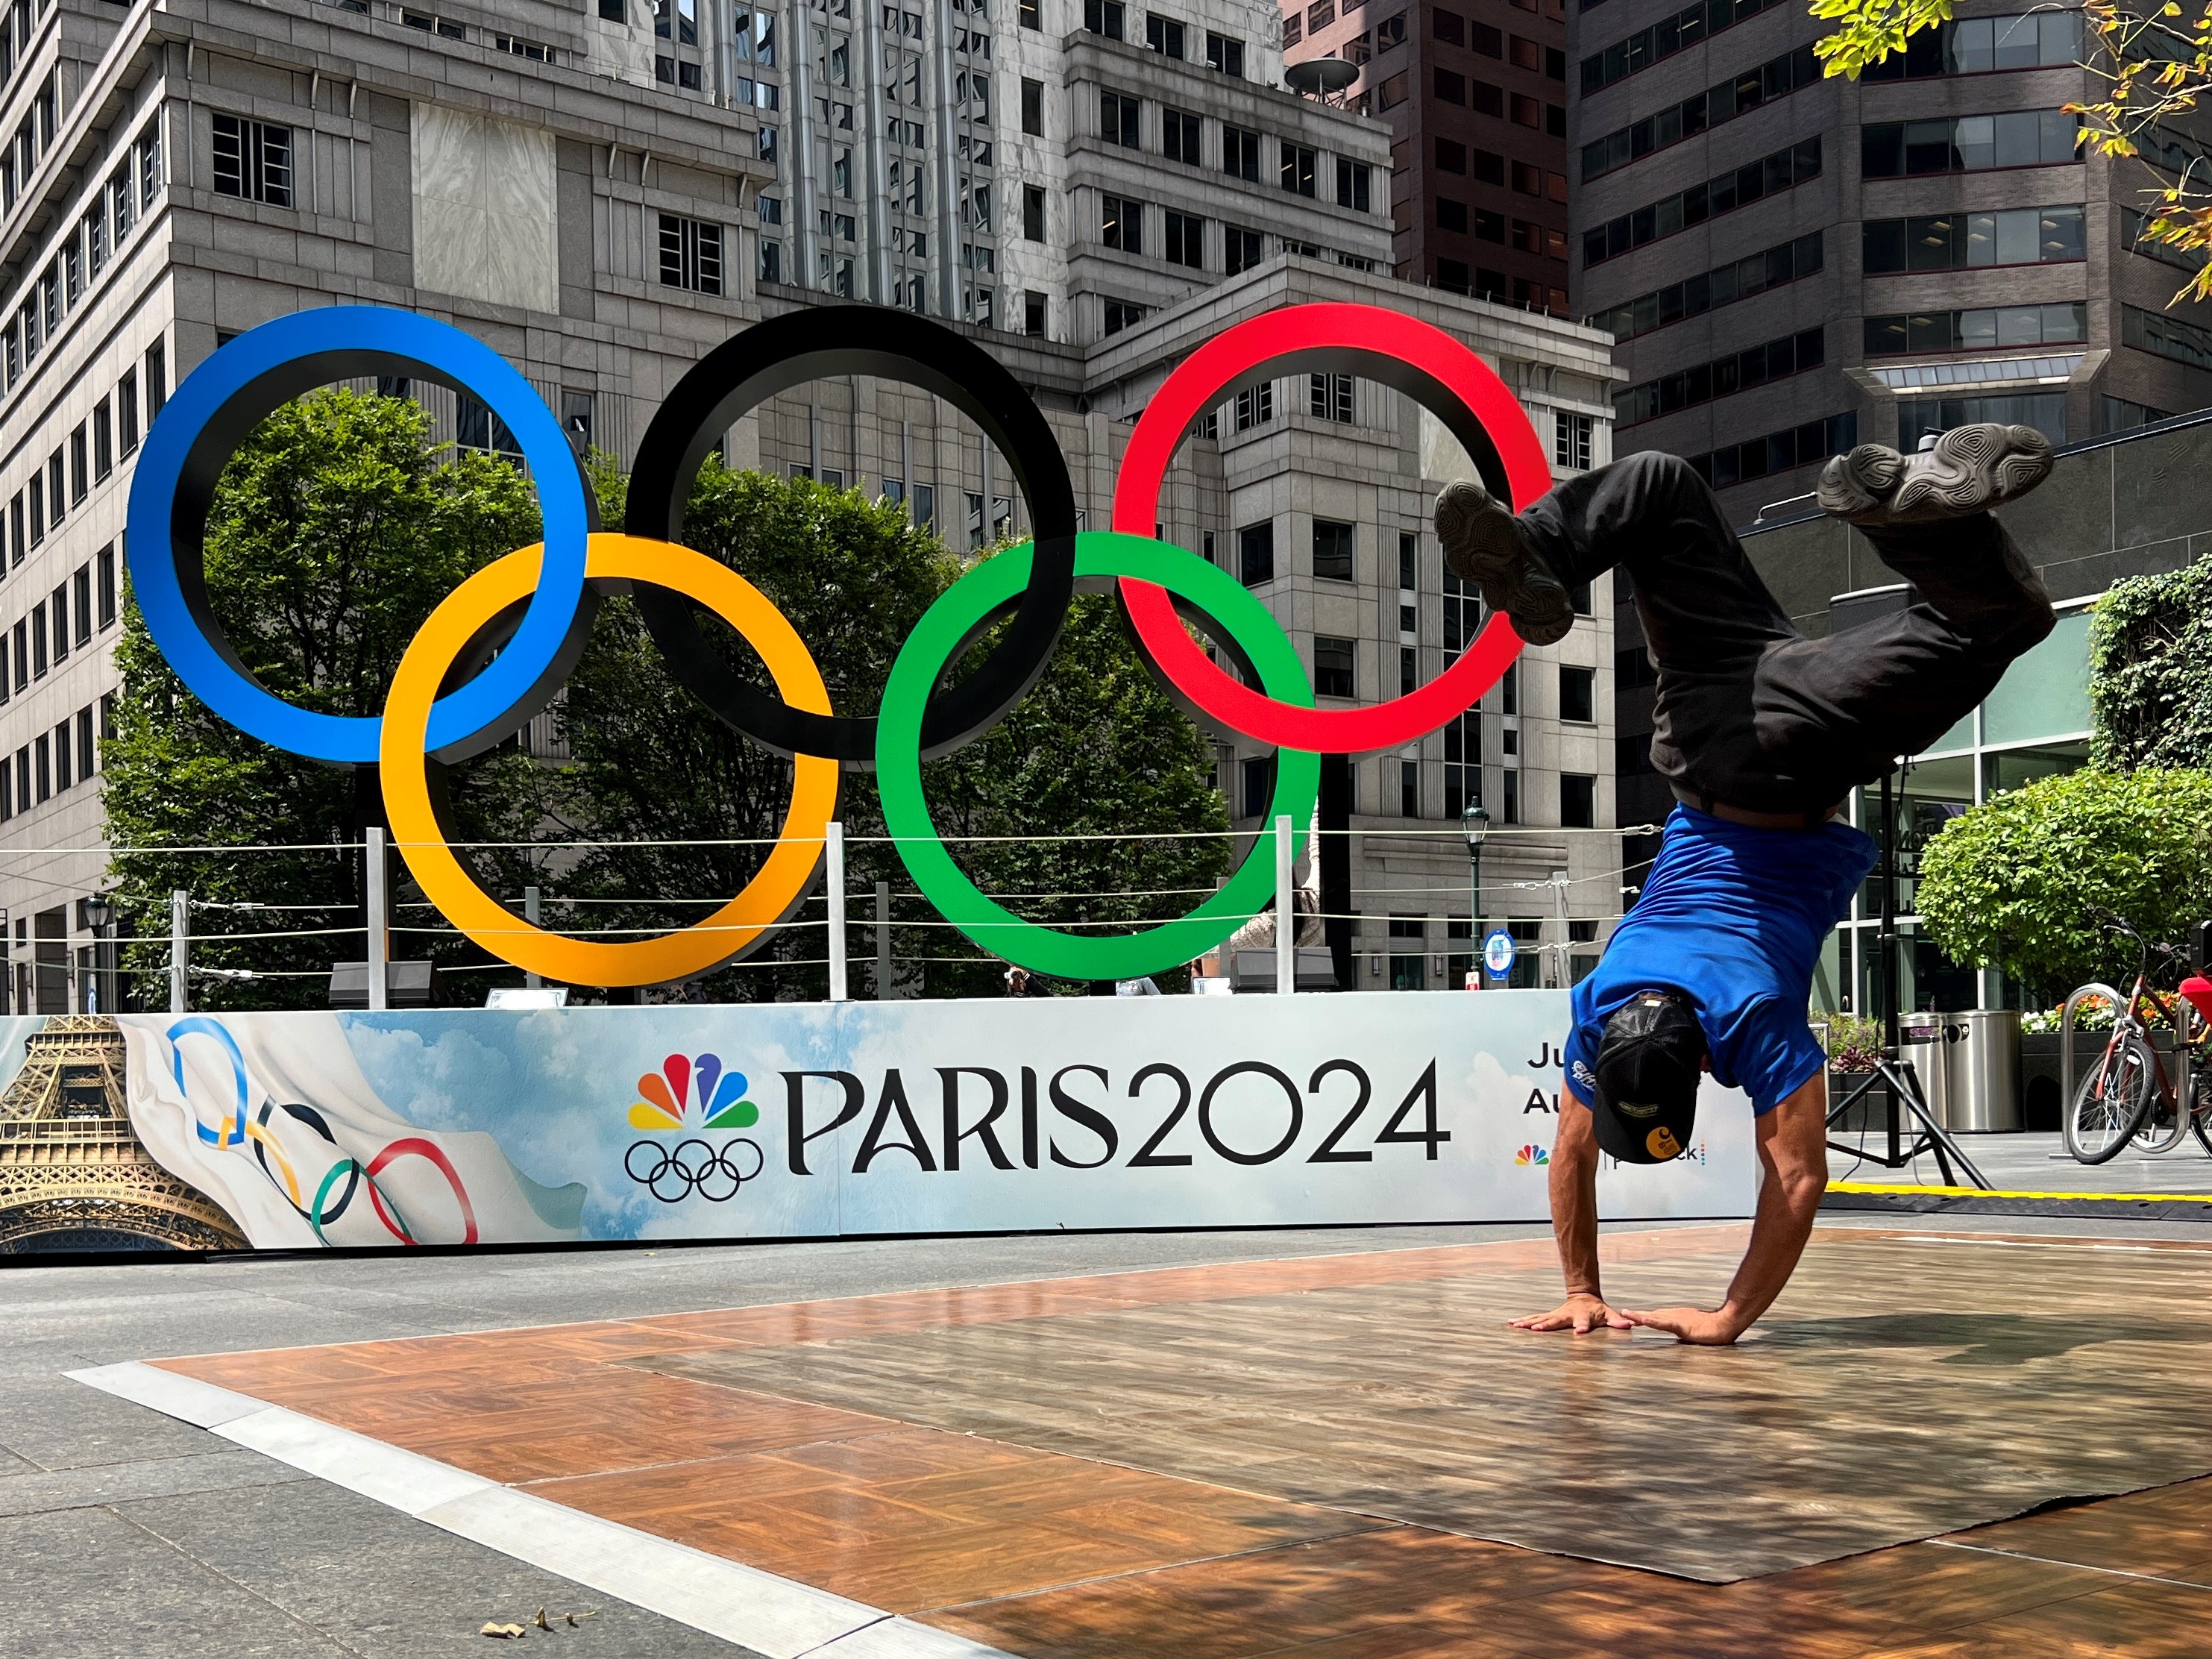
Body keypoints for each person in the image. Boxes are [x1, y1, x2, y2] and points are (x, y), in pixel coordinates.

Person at [1433, 424, 2058, 1344]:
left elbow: (1798, 1176)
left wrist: (1728, 1315)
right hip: (1713, 702)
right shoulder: (1603, 999)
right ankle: (1543, 550)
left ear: (1697, 1067)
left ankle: (1919, 525)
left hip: (1794, 762)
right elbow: (1568, 1151)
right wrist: (1577, 1283)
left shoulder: (1753, 1014)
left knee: (2006, 621)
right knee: (1658, 483)